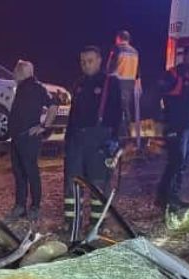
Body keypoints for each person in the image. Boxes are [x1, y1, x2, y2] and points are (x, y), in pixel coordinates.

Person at [63, 45, 122, 228]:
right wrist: (68, 141)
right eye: (83, 61)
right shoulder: (79, 84)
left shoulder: (110, 83)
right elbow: (73, 115)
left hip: (99, 139)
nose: (86, 65)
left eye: (89, 61)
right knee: (73, 182)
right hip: (77, 139)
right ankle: (72, 223)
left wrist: (115, 140)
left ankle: (97, 224)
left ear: (99, 61)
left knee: (98, 183)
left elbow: (117, 113)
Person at [155, 43, 189, 212]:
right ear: (184, 57)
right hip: (175, 127)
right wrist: (162, 120)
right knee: (176, 162)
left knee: (182, 163)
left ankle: (167, 197)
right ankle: (169, 199)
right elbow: (158, 93)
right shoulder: (174, 74)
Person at [7, 60, 53, 221]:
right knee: (19, 173)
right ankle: (20, 206)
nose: (14, 74)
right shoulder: (21, 87)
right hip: (17, 137)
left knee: (31, 172)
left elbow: (53, 106)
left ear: (23, 72)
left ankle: (35, 207)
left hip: (28, 138)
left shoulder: (36, 87)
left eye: (16, 71)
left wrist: (44, 126)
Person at [107, 30, 142, 147]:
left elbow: (110, 68)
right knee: (126, 109)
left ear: (119, 38)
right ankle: (127, 134)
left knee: (115, 110)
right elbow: (137, 70)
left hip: (117, 82)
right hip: (130, 83)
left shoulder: (117, 49)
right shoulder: (135, 52)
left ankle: (117, 137)